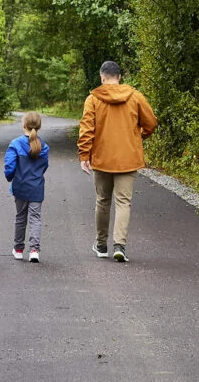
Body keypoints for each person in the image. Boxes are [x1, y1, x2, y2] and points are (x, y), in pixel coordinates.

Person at [77, 61, 157, 262]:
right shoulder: (135, 97)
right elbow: (151, 123)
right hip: (127, 159)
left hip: (102, 158)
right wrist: (138, 137)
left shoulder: (93, 99)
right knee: (123, 202)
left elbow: (87, 129)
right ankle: (119, 245)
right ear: (119, 77)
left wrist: (84, 155)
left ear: (102, 77)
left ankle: (101, 244)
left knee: (102, 200)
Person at [4, 111, 49, 262]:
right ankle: (34, 250)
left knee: (20, 217)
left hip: (20, 186)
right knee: (35, 218)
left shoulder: (15, 144)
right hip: (37, 187)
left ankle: (18, 249)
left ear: (24, 125)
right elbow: (44, 166)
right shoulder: (44, 146)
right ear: (39, 126)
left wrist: (10, 177)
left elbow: (9, 167)